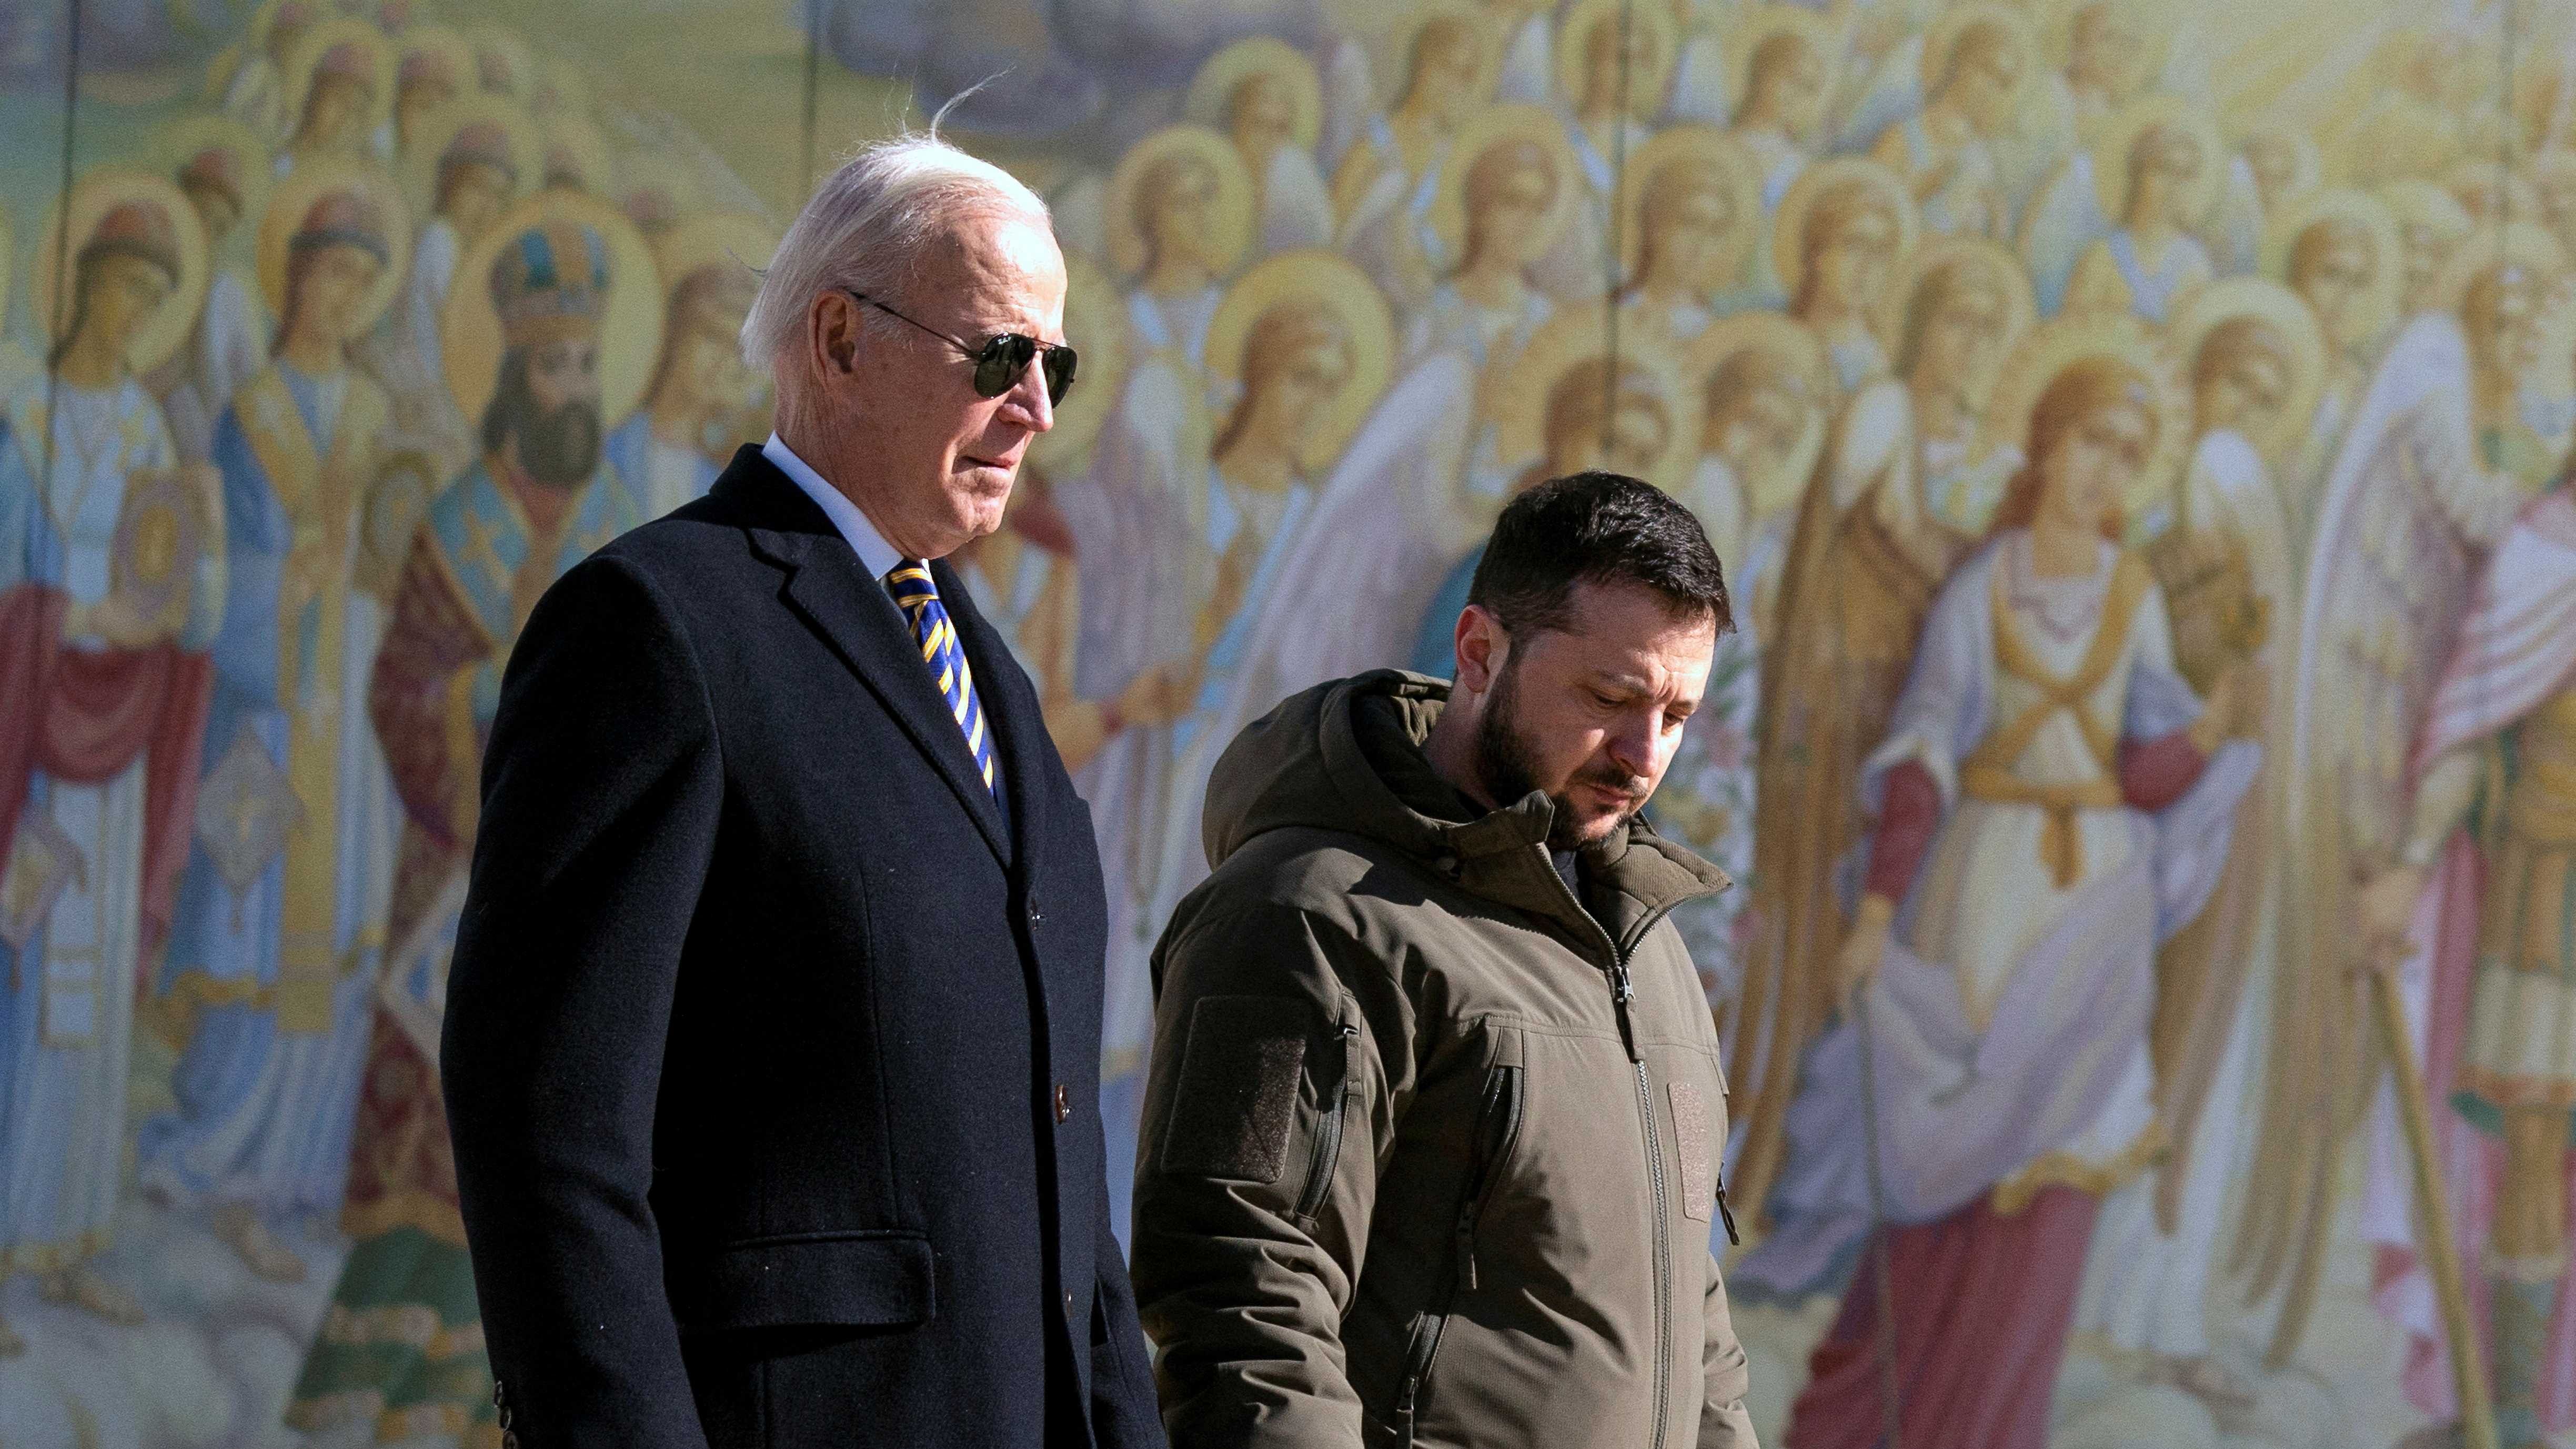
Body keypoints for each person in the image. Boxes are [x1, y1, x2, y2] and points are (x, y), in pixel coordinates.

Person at [436, 132, 1162, 1449]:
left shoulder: (988, 676)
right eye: (1002, 358)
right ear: (839, 341)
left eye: (1058, 366)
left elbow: (1060, 1160)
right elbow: (551, 1130)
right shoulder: (658, 628)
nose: (1039, 410)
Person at [1130, 471, 1757, 1447]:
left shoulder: (1648, 948)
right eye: (1611, 696)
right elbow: (1247, 1302)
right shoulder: (1311, 918)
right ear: (1478, 652)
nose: (1644, 754)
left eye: (1676, 716)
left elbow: (1696, 1323)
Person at [1747, 350, 2262, 1449]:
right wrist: (1880, 910)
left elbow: (2139, 770)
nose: (2103, 470)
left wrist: (2209, 734)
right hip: (1980, 894)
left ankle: (1995, 1426)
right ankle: (1885, 1420)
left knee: (2058, 1168)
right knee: (1951, 1159)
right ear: (2047, 443)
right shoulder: (1984, 586)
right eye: (2090, 442)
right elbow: (1925, 750)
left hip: (2096, 909)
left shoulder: (2134, 595)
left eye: (2127, 454)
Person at [286, 205, 642, 1444]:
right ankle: (366, 1387)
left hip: (587, 885)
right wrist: (501, 690)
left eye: (589, 363)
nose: (574, 385)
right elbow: (401, 686)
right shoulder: (461, 522)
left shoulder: (625, 527)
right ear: (512, 376)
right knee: (442, 1118)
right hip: (458, 875)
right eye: (555, 363)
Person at [140, 170, 407, 1286]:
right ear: (291, 277)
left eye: (358, 279)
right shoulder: (248, 409)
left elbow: (389, 556)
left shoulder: (376, 413)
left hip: (352, 696)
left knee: (341, 923)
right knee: (247, 913)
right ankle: (220, 1156)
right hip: (269, 695)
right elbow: (210, 569)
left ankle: (295, 1170)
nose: (339, 296)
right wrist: (279, 587)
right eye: (326, 273)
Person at [0, 180, 222, 1344]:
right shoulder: (20, 413)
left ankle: (70, 1235)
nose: (131, 310)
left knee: (91, 1003)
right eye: (118, 285)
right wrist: (84, 617)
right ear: (78, 282)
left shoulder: (143, 424)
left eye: (152, 294)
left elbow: (171, 568)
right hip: (26, 751)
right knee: (25, 983)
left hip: (116, 745)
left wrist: (184, 594)